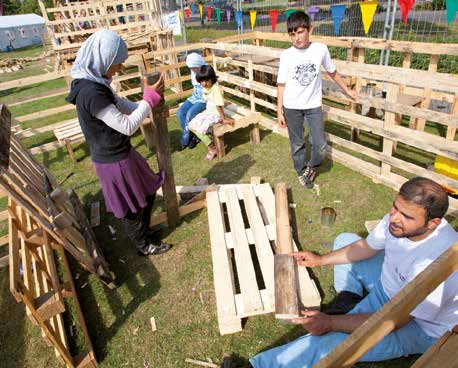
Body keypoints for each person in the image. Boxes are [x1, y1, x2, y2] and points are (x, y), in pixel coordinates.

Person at [250, 177, 458, 367]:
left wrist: (330, 323)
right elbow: (366, 247)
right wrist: (320, 260)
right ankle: (348, 298)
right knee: (345, 240)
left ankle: (256, 366)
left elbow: (395, 321)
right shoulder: (398, 219)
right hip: (389, 289)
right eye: (394, 207)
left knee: (327, 342)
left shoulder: (439, 265)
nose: (394, 218)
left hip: (420, 326)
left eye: (406, 216)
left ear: (433, 223)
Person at [66, 29, 171, 257]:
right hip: (113, 160)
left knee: (149, 191)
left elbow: (124, 106)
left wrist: (151, 107)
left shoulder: (97, 83)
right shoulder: (90, 92)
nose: (120, 68)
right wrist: (149, 99)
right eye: (118, 63)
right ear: (104, 59)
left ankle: (145, 232)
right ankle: (143, 245)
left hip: (121, 153)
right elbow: (127, 126)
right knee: (133, 205)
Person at [277, 11, 357, 189]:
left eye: (300, 32)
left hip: (313, 105)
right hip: (291, 107)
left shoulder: (320, 49)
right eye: (292, 34)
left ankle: (312, 167)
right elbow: (281, 84)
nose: (296, 38)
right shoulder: (286, 55)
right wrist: (279, 112)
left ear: (310, 29)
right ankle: (300, 170)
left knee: (319, 145)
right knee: (297, 143)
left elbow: (332, 71)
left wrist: (347, 90)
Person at [188, 65, 234, 161]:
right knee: (191, 125)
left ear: (212, 79)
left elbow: (218, 105)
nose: (203, 84)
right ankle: (212, 146)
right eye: (201, 81)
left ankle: (212, 148)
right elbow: (209, 101)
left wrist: (224, 119)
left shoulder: (215, 89)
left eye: (206, 81)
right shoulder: (206, 87)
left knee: (200, 129)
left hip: (216, 115)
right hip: (209, 113)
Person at [176, 53, 207, 150]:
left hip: (204, 99)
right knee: (180, 113)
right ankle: (193, 136)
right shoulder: (193, 71)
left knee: (189, 114)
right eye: (191, 68)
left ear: (199, 64)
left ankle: (186, 140)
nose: (192, 70)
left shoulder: (206, 70)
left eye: (194, 67)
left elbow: (211, 88)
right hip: (195, 96)